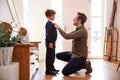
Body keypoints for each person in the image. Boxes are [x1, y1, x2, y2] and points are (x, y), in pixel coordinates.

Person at [45, 9, 59, 75]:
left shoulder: (51, 23)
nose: (53, 17)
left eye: (54, 16)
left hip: (52, 42)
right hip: (50, 42)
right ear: (48, 17)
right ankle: (48, 70)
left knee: (52, 56)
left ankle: (52, 68)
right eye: (51, 16)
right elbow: (48, 33)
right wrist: (50, 42)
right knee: (50, 57)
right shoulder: (48, 23)